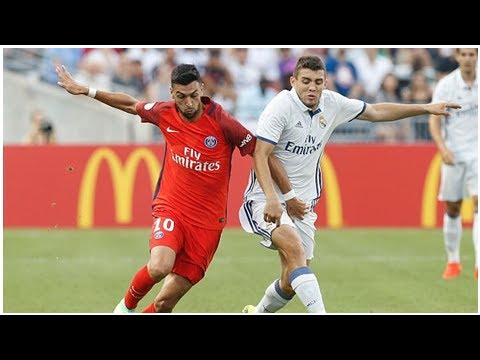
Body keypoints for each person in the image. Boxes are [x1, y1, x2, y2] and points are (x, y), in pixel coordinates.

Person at [56, 63, 285, 313]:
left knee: (165, 303)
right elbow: (132, 105)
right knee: (159, 266)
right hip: (172, 208)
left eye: (194, 96)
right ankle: (125, 307)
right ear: (171, 93)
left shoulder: (222, 122)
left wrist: (277, 196)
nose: (188, 103)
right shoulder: (165, 112)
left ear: (202, 89)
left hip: (207, 223)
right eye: (181, 97)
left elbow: (258, 153)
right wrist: (87, 91)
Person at [239, 55, 461, 314]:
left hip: (304, 203)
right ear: (293, 81)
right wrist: (276, 197)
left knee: (290, 280)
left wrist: (425, 108)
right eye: (306, 81)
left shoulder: (332, 103)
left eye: (318, 82)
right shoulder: (280, 107)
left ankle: (257, 312)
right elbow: (261, 154)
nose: (312, 87)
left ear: (325, 82)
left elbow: (376, 111)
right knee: (296, 252)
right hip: (267, 199)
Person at [428, 48, 478, 280]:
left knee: (478, 205)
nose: (468, 58)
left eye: (472, 54)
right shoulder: (447, 85)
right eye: (464, 54)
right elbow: (434, 121)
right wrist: (443, 148)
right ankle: (453, 261)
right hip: (454, 153)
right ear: (457, 57)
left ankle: (478, 265)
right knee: (453, 207)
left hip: (478, 154)